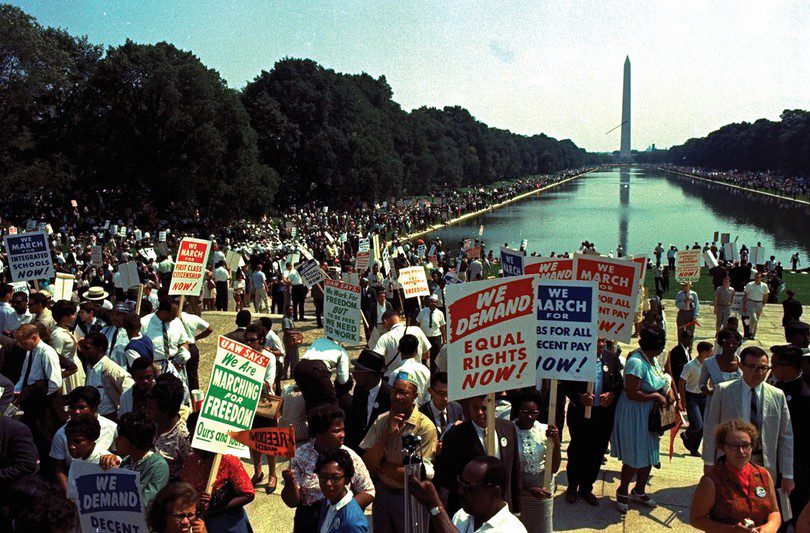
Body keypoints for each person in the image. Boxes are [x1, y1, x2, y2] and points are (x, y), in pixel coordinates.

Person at [703, 346, 795, 497]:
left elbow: (785, 436)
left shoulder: (777, 395)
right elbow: (711, 428)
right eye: (752, 367)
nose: (758, 372)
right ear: (741, 366)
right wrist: (708, 462)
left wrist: (787, 474)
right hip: (730, 461)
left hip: (763, 463)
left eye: (763, 368)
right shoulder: (724, 391)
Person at [360, 372, 437, 533]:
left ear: (414, 396)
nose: (397, 396)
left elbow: (416, 474)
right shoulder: (383, 420)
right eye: (394, 391)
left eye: (403, 393)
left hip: (409, 497)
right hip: (383, 493)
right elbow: (366, 464)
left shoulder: (425, 427)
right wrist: (386, 434)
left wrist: (381, 467)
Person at [610, 325, 675, 512]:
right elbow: (632, 392)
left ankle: (639, 489)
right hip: (634, 413)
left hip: (648, 414)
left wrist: (667, 391)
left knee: (649, 454)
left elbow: (660, 378)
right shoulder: (636, 362)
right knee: (634, 455)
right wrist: (655, 396)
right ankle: (622, 490)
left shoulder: (652, 360)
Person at [282, 405, 375, 532]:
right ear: (319, 433)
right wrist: (289, 481)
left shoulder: (350, 457)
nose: (342, 435)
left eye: (343, 430)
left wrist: (343, 511)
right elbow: (292, 502)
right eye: (337, 431)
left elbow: (368, 491)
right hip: (307, 521)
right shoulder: (300, 455)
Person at [436, 394, 521, 517]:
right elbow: (447, 478)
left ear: (494, 406)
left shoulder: (508, 428)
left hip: (503, 508)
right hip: (470, 510)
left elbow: (514, 470)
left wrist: (517, 509)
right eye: (474, 408)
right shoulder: (455, 436)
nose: (480, 412)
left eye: (484, 408)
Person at [690, 419, 781, 532]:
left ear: (752, 447)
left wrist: (768, 528)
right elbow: (696, 519)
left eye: (746, 445)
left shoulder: (763, 475)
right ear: (723, 447)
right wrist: (732, 530)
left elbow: (774, 512)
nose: (741, 451)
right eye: (734, 446)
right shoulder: (711, 481)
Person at [563, 338, 623, 506]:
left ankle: (586, 487)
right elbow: (565, 384)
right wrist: (578, 397)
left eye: (602, 341)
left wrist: (611, 394)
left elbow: (619, 382)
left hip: (602, 415)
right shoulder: (575, 356)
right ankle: (572, 486)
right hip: (580, 415)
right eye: (596, 340)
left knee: (596, 452)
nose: (599, 344)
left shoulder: (611, 358)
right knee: (577, 451)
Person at [180, 413, 255, 532]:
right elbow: (184, 492)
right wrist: (196, 502)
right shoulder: (190, 462)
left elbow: (248, 494)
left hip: (230, 524)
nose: (195, 443)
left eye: (199, 438)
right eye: (192, 438)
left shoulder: (228, 460)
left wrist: (216, 507)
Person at [770, 344, 809, 527]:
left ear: (787, 367)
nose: (771, 368)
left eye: (775, 365)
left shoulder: (803, 395)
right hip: (776, 461)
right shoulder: (775, 387)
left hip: (796, 466)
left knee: (791, 512)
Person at [51, 386, 118, 491]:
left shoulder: (112, 428)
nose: (77, 412)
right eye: (73, 407)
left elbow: (118, 456)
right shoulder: (61, 434)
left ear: (94, 407)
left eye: (82, 407)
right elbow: (59, 468)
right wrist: (71, 495)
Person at [513, 394, 561, 532]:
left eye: (533, 413)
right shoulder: (509, 431)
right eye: (525, 412)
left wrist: (556, 444)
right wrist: (528, 490)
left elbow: (554, 468)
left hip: (542, 491)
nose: (529, 417)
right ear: (518, 411)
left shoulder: (545, 430)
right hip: (519, 490)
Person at [243, 323, 278, 493]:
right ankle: (258, 471)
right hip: (248, 402)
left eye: (252, 340)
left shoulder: (269, 358)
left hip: (265, 403)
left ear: (261, 340)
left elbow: (267, 384)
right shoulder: (243, 356)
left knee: (268, 441)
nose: (249, 344)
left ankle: (272, 474)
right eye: (247, 340)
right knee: (253, 440)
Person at [451, 456, 528, 533]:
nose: (460, 491)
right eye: (461, 483)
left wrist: (439, 510)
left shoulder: (512, 530)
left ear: (495, 493)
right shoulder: (461, 516)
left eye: (468, 487)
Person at [77, 332, 134, 420]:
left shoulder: (111, 369)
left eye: (87, 348)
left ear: (99, 349)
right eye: (82, 348)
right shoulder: (90, 367)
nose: (83, 351)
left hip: (111, 418)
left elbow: (130, 389)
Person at [344, 349, 391, 453]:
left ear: (368, 374)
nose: (353, 374)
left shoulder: (389, 395)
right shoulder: (360, 389)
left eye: (356, 370)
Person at [147, 373, 192, 480]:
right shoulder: (150, 425)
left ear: (166, 411)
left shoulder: (183, 437)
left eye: (151, 408)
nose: (147, 411)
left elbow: (190, 471)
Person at [315, 447, 370, 533]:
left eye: (335, 478)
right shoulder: (326, 503)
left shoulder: (352, 522)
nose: (328, 483)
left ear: (347, 480)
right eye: (323, 477)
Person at [295, 336, 350, 413]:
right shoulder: (342, 351)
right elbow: (342, 380)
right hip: (317, 371)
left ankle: (312, 422)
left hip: (300, 368)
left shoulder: (319, 340)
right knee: (331, 404)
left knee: (310, 403)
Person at [64, 413, 109, 503]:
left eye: (78, 441)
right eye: (69, 441)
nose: (71, 446)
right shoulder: (76, 461)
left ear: (91, 441)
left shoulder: (108, 462)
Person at [372, 310, 431, 378]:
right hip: (416, 375)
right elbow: (427, 354)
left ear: (385, 322)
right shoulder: (417, 330)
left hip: (393, 378)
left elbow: (376, 360)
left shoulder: (385, 337)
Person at [679, 341, 713, 456]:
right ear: (704, 352)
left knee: (704, 426)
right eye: (710, 351)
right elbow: (681, 382)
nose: (713, 353)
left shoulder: (709, 365)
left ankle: (694, 448)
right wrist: (682, 400)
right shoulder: (690, 365)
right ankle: (686, 435)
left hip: (704, 397)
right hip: (692, 397)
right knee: (697, 424)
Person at [700, 329, 744, 404]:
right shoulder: (709, 362)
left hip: (737, 404)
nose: (731, 346)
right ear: (721, 343)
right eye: (727, 343)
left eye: (734, 343)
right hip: (716, 404)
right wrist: (713, 394)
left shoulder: (742, 363)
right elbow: (702, 384)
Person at [419, 371, 463, 443]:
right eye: (441, 393)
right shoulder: (422, 414)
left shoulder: (456, 408)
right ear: (430, 391)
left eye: (449, 393)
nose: (446, 398)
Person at [387, 334, 431, 404]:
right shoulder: (425, 370)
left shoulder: (396, 373)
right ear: (416, 351)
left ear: (399, 349)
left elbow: (392, 399)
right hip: (422, 412)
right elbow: (427, 398)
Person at [416, 295, 446, 370]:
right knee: (423, 356)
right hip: (424, 337)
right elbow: (417, 323)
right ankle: (423, 370)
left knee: (435, 357)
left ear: (437, 303)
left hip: (436, 338)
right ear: (429, 302)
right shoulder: (422, 312)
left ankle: (434, 375)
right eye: (431, 301)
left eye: (435, 302)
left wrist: (444, 339)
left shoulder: (440, 313)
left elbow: (442, 327)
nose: (433, 303)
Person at [742, 272, 769, 340]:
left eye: (758, 277)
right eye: (756, 277)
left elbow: (766, 295)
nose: (757, 279)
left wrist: (763, 303)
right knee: (754, 318)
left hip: (759, 303)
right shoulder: (750, 285)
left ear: (761, 278)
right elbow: (746, 295)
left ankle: (753, 335)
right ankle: (750, 332)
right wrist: (744, 304)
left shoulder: (764, 286)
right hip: (751, 302)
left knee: (756, 320)